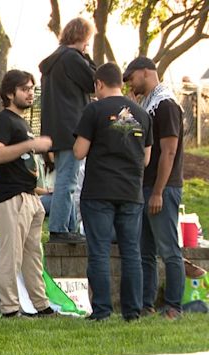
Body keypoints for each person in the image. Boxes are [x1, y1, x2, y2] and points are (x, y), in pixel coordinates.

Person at [73, 63, 152, 321]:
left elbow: (79, 151)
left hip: (99, 191)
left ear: (98, 84)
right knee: (131, 252)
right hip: (131, 191)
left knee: (99, 251)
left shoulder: (94, 109)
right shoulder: (142, 114)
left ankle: (102, 311)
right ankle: (132, 311)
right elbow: (147, 159)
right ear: (121, 83)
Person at [0, 69, 55, 318]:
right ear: (9, 92)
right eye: (25, 89)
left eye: (32, 90)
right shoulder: (2, 121)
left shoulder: (22, 123)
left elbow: (21, 165)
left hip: (30, 197)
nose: (30, 94)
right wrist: (30, 144)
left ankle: (42, 305)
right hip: (10, 198)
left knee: (33, 256)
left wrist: (40, 190)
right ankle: (10, 308)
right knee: (11, 255)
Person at [124, 56, 185, 320]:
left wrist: (159, 191)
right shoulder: (146, 105)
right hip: (144, 187)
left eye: (131, 77)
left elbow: (169, 152)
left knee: (169, 249)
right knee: (145, 251)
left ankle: (173, 306)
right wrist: (128, 105)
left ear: (146, 73)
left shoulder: (166, 104)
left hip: (164, 188)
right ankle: (147, 304)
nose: (129, 83)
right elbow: (126, 135)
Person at [39, 17, 96, 243]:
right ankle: (60, 228)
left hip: (55, 127)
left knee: (67, 178)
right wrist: (86, 55)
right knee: (69, 180)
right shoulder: (73, 59)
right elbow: (94, 81)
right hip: (73, 127)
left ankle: (69, 227)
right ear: (82, 37)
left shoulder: (54, 61)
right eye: (87, 40)